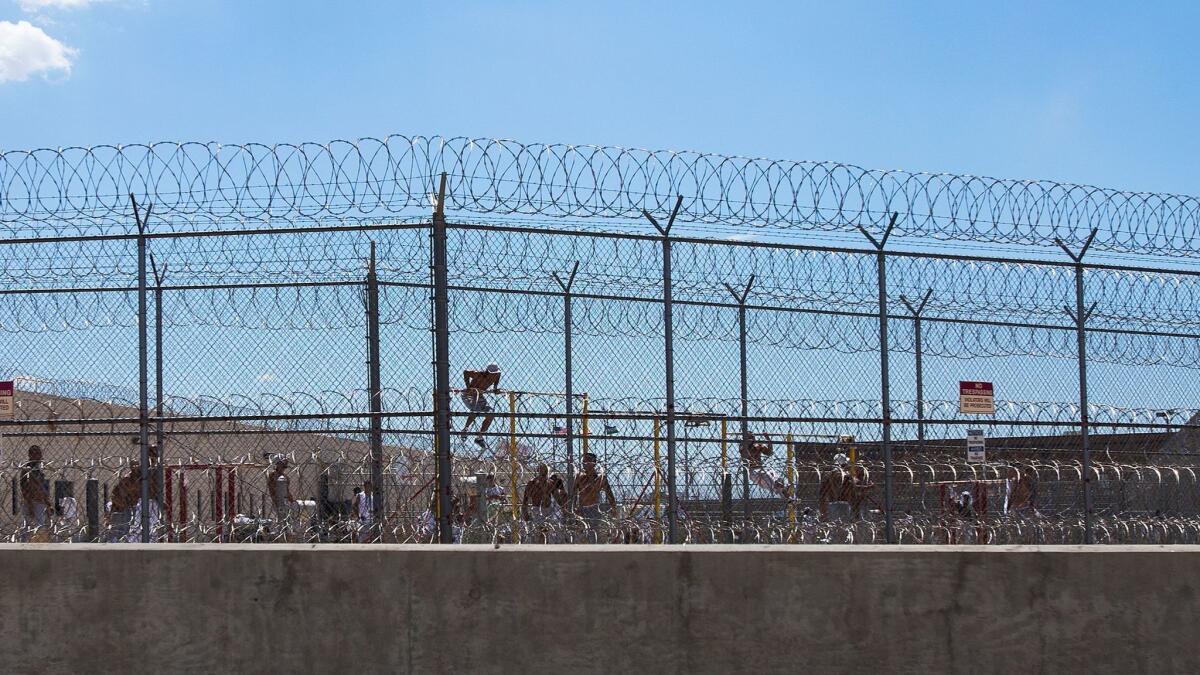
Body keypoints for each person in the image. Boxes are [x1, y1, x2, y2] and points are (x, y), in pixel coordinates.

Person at [461, 363, 502, 449]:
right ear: (488, 372)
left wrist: (495, 388)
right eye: (492, 373)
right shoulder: (478, 374)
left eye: (495, 373)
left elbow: (496, 381)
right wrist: (468, 387)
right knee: (476, 409)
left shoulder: (497, 375)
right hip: (469, 394)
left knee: (491, 413)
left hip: (480, 395)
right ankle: (465, 429)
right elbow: (466, 372)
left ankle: (479, 437)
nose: (494, 375)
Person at [739, 432, 791, 499]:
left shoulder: (758, 446)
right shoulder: (742, 446)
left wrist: (768, 439)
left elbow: (769, 452)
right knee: (767, 477)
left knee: (773, 474)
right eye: (749, 438)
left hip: (761, 468)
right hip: (752, 471)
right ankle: (781, 488)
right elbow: (745, 454)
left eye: (752, 437)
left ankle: (786, 495)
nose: (751, 439)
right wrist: (753, 452)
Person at [19, 445, 52, 541]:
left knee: (39, 526)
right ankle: (24, 544)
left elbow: (42, 488)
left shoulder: (39, 469)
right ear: (30, 455)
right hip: (31, 501)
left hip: (40, 501)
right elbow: (25, 488)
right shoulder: (27, 470)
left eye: (39, 453)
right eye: (36, 454)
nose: (39, 456)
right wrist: (29, 504)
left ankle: (37, 544)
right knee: (28, 526)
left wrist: (48, 503)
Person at [574, 452, 617, 525]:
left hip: (594, 508)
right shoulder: (579, 477)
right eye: (583, 461)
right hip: (581, 508)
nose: (584, 463)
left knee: (594, 531)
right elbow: (573, 494)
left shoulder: (600, 478)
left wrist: (614, 508)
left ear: (594, 463)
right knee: (582, 532)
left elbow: (609, 494)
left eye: (587, 461)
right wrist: (574, 508)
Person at [267, 455, 297, 528]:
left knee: (287, 520)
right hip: (277, 501)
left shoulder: (285, 477)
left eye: (285, 466)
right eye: (283, 465)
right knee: (279, 521)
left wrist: (292, 501)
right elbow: (273, 489)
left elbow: (287, 491)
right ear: (277, 464)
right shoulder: (273, 475)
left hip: (285, 501)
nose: (284, 467)